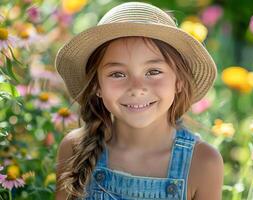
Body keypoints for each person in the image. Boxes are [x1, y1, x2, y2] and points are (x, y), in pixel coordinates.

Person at [54, 1, 223, 200]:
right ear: (96, 86)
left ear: (179, 81)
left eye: (153, 72)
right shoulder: (75, 148)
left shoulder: (202, 162)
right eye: (117, 74)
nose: (136, 88)